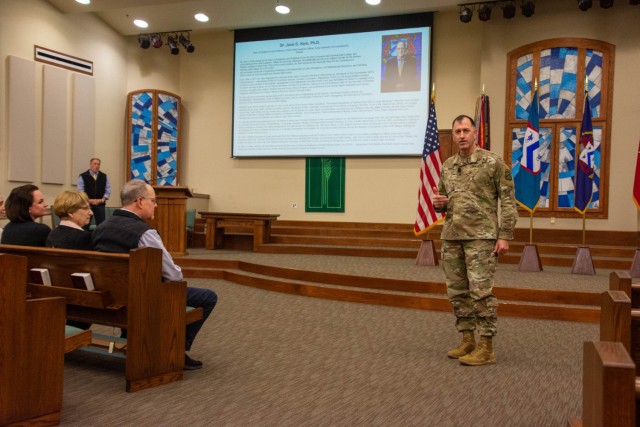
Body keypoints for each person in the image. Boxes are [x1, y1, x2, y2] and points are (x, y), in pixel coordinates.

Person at [92, 179, 217, 370]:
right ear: (140, 201)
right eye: (153, 200)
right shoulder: (145, 233)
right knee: (208, 297)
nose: (156, 205)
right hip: (143, 298)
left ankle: (128, 336)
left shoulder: (101, 228)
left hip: (109, 296)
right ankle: (175, 349)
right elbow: (173, 276)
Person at [432, 115, 517, 366]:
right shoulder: (448, 165)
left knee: (480, 292)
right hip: (452, 236)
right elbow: (443, 200)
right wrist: (439, 204)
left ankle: (487, 346)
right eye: (457, 130)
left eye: (465, 130)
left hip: (482, 238)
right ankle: (467, 339)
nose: (460, 135)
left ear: (475, 132)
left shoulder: (493, 163)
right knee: (458, 292)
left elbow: (509, 202)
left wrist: (505, 235)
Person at [77, 158, 111, 228]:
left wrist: (102, 199)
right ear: (90, 165)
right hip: (87, 204)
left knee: (101, 225)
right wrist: (88, 200)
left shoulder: (104, 176)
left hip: (100, 204)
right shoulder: (83, 176)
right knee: (85, 225)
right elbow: (80, 191)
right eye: (94, 164)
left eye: (98, 164)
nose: (97, 166)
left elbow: (108, 189)